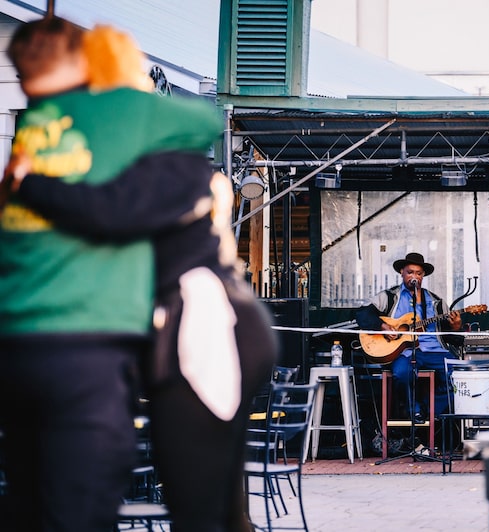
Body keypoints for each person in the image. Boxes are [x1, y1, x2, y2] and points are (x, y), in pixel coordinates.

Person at [2, 22, 276, 532]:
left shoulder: (163, 165)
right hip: (192, 326)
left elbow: (113, 213)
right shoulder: (122, 158)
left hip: (203, 326)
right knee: (208, 505)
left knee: (198, 506)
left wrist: (30, 184)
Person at [355, 252, 462, 423]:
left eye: (418, 273)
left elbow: (452, 336)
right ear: (402, 273)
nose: (414, 277)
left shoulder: (436, 302)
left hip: (434, 351)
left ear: (423, 275)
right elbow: (362, 314)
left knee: (458, 373)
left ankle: (429, 410)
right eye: (410, 272)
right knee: (401, 373)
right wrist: (383, 326)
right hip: (404, 352)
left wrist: (456, 326)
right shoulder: (389, 297)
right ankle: (413, 410)